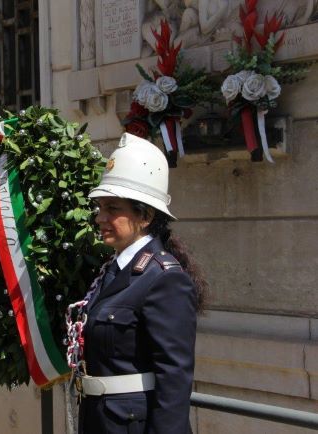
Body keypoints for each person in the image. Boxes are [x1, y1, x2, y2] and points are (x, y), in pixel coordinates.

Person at [76, 133, 208, 434]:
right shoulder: (111, 270)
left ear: (145, 215)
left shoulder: (165, 278)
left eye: (113, 208)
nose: (100, 217)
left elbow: (173, 379)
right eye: (99, 207)